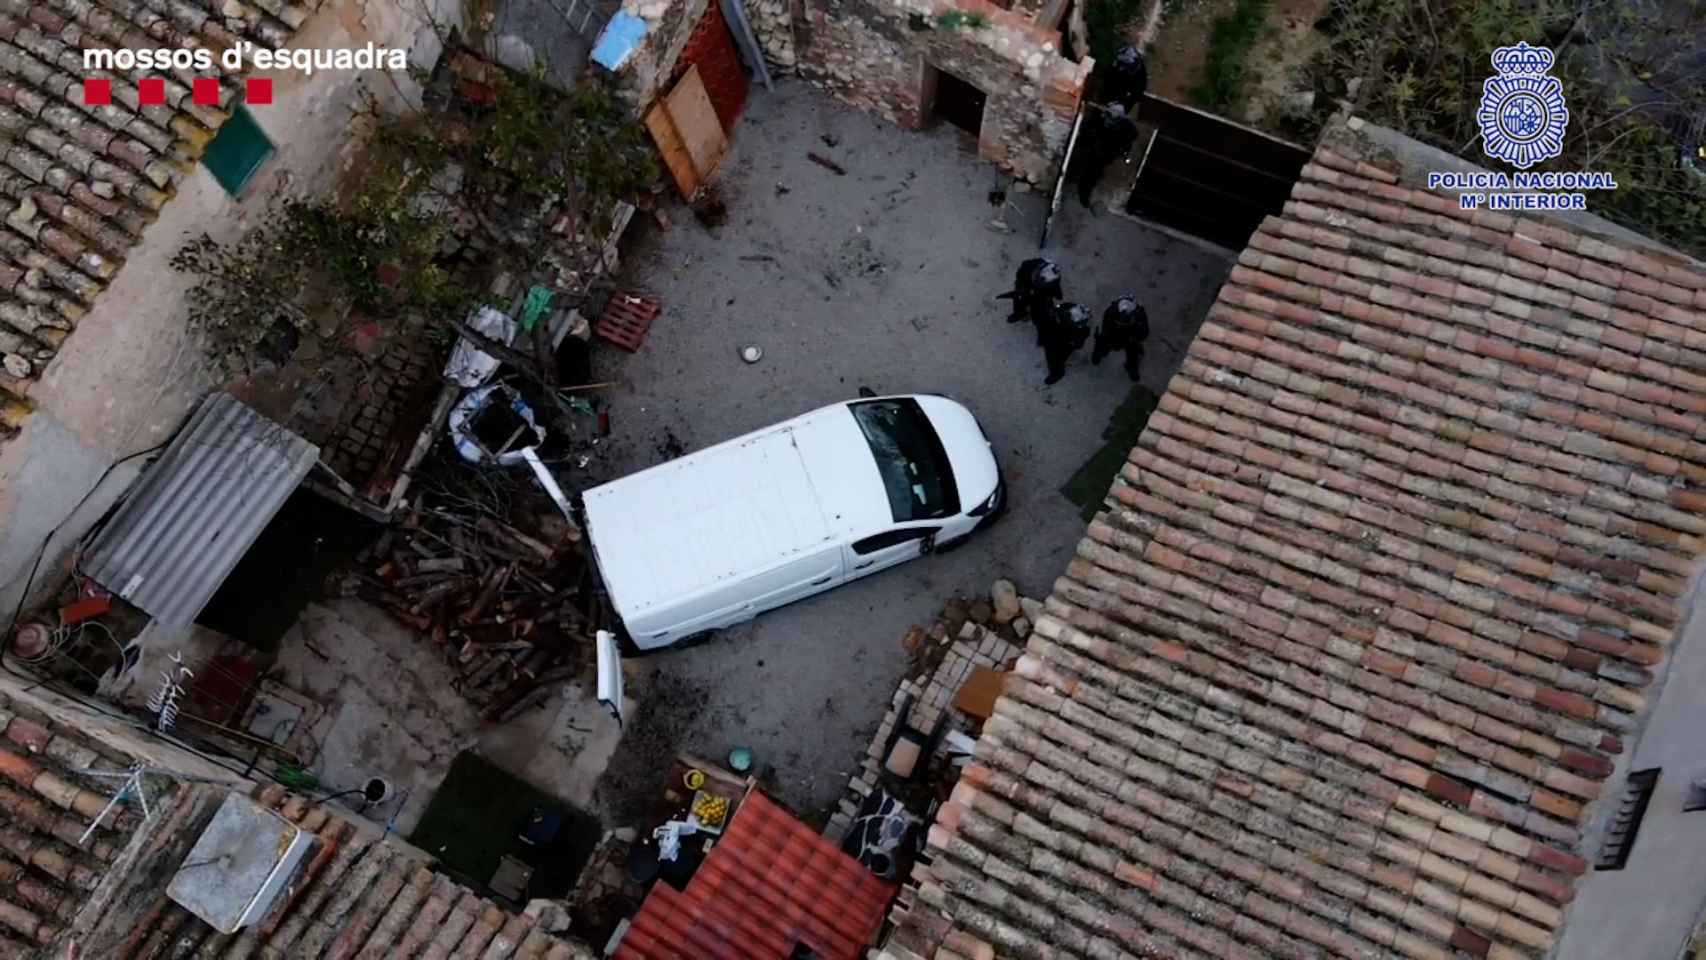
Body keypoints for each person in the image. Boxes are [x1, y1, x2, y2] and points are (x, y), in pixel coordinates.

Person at [1067, 103, 1139, 209]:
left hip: (1104, 153)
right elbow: (1089, 130)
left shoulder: (1124, 126)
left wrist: (1122, 151)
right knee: (1088, 171)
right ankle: (1079, 189)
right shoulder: (1103, 119)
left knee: (1092, 174)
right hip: (1096, 150)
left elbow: (1131, 136)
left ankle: (1083, 193)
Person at [1092, 296, 1149, 382]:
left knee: (1132, 354)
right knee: (1102, 346)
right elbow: (1105, 326)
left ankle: (1131, 368)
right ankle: (1097, 356)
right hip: (1112, 334)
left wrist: (1137, 337)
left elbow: (1145, 330)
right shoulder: (1111, 311)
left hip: (1130, 336)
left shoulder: (1139, 313)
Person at [997, 258, 1062, 327]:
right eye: (1037, 277)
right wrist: (1023, 289)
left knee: (1042, 308)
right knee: (1019, 299)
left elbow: (1055, 291)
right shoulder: (1027, 265)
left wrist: (1055, 298)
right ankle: (1019, 314)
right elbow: (1019, 276)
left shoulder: (1054, 281)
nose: (1036, 281)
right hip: (1025, 284)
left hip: (1041, 292)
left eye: (1041, 282)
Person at [1041, 302, 1091, 385]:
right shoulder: (1065, 309)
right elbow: (1055, 310)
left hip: (1065, 341)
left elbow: (1079, 343)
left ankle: (1057, 374)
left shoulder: (1081, 328)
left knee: (1055, 358)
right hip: (1059, 334)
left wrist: (1073, 344)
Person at [1099, 45, 1149, 111]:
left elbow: (1137, 94)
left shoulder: (1140, 75)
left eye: (1127, 68)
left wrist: (1123, 104)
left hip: (1124, 98)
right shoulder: (1117, 62)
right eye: (1123, 66)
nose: (1124, 69)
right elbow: (1107, 76)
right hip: (1111, 88)